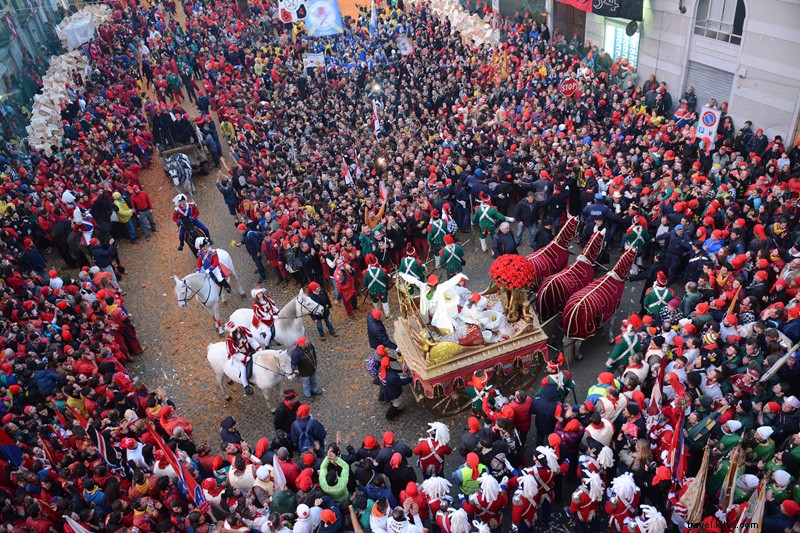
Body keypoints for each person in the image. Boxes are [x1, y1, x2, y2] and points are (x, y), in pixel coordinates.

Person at [225, 321, 260, 395]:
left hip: (249, 349)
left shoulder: (242, 329)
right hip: (240, 355)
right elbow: (235, 354)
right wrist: (246, 358)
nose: (236, 330)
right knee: (243, 368)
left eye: (236, 328)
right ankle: (246, 387)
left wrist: (258, 349)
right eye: (234, 330)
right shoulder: (229, 340)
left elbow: (251, 340)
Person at [379, 356, 412, 420]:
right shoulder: (392, 377)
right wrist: (410, 378)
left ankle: (395, 411)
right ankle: (389, 416)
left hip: (387, 390)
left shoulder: (381, 368)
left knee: (393, 401)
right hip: (393, 392)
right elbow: (401, 382)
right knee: (397, 403)